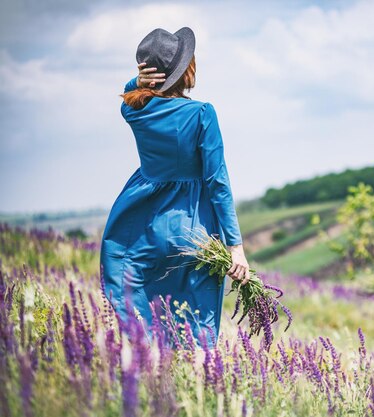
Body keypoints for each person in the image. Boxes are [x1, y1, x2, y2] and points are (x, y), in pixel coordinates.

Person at [100, 27, 250, 348]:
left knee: (144, 306)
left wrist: (137, 83)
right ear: (185, 70)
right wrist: (235, 245)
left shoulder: (134, 111)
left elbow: (128, 93)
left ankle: (152, 363)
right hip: (195, 226)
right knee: (200, 318)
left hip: (144, 223)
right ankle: (196, 380)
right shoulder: (201, 114)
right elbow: (217, 182)